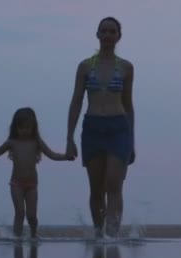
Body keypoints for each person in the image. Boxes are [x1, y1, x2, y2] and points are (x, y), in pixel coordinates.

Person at [65, 17, 135, 239]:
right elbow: (76, 101)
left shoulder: (125, 67)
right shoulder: (85, 66)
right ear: (97, 35)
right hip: (93, 126)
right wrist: (69, 137)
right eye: (103, 31)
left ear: (118, 36)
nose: (107, 35)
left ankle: (112, 235)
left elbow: (128, 103)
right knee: (96, 189)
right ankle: (98, 233)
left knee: (114, 185)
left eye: (112, 31)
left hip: (118, 127)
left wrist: (132, 140)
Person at [0, 107, 74, 238]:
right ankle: (16, 238)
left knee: (31, 215)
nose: (24, 130)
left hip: (32, 185)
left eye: (27, 127)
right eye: (21, 127)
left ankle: (34, 235)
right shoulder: (11, 143)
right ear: (15, 128)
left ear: (33, 127)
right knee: (19, 213)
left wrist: (66, 157)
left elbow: (52, 155)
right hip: (16, 184)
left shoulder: (36, 142)